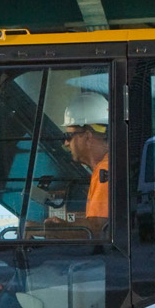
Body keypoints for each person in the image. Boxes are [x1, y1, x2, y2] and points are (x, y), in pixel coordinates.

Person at [39, 84, 112, 239]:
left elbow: (97, 230)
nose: (66, 143)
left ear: (87, 137)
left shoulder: (105, 170)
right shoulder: (108, 165)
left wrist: (44, 230)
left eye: (69, 136)